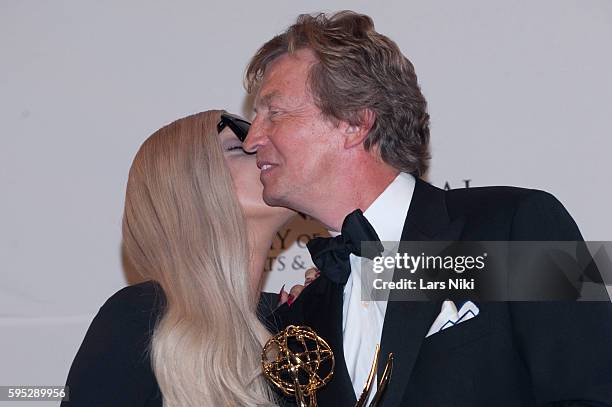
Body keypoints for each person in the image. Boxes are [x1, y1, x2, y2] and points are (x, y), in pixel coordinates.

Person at [242, 11, 612, 406]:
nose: (252, 139)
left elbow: (593, 394)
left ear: (354, 122)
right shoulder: (306, 310)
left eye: (274, 112)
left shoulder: (517, 223)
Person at [61, 110, 295, 406]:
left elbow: (375, 306)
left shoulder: (294, 319)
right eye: (238, 148)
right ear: (189, 191)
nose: (265, 151)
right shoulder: (140, 318)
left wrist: (368, 206)